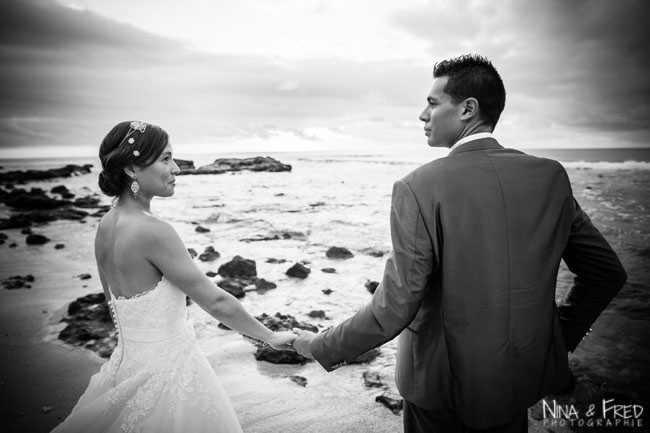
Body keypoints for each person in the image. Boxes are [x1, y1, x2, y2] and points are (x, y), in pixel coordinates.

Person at [292, 54, 627, 432]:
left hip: (440, 392)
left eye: (433, 103)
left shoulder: (418, 186)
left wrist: (317, 345)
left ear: (468, 108)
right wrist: (554, 339)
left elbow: (395, 307)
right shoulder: (550, 177)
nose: (422, 115)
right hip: (518, 382)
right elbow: (606, 273)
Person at [52, 121, 296, 433]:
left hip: (126, 367)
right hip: (170, 374)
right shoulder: (154, 231)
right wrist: (270, 337)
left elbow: (112, 302)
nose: (177, 169)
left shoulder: (105, 225)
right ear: (131, 170)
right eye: (166, 159)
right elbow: (216, 302)